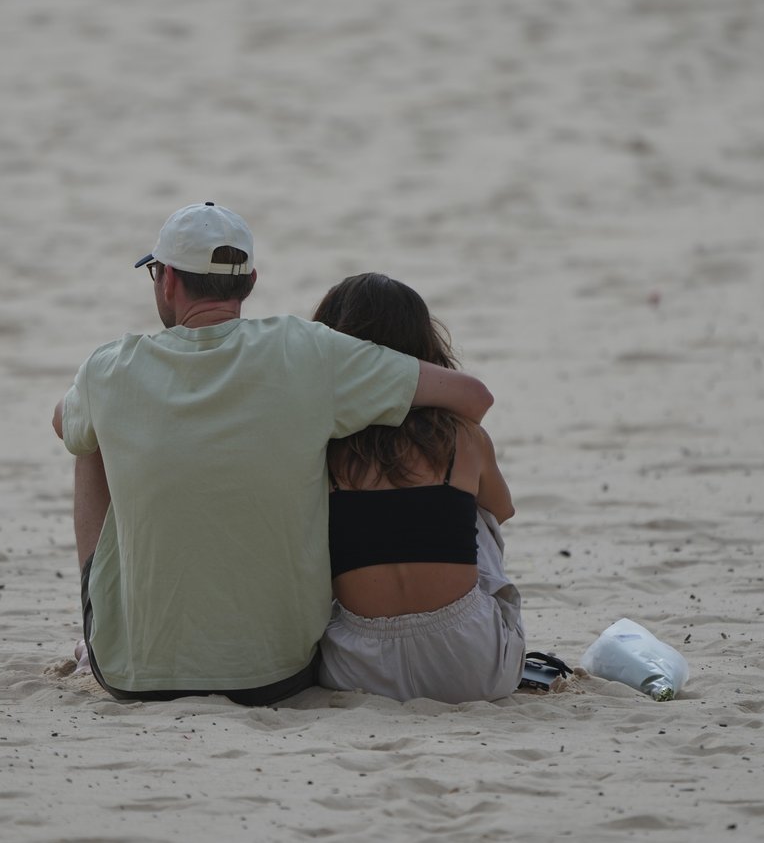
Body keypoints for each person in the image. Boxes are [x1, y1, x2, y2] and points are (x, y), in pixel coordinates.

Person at [52, 203, 495, 705]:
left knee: (84, 434)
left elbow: (62, 422)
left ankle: (106, 622)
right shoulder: (307, 350)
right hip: (277, 675)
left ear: (168, 280)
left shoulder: (108, 367)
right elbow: (472, 397)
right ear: (250, 280)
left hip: (133, 675)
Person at [311, 273, 526, 703]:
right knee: (476, 514)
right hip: (470, 666)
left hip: (357, 666)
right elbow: (502, 512)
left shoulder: (322, 446)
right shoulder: (463, 438)